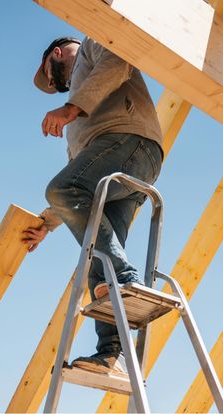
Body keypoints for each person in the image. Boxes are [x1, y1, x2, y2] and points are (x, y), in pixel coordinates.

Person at [23, 37, 163, 376]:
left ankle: (127, 277)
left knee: (62, 189)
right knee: (96, 260)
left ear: (54, 55)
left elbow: (117, 61)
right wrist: (48, 223)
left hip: (128, 141)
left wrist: (71, 109)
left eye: (51, 79)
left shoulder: (94, 40)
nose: (58, 87)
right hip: (115, 161)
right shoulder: (79, 107)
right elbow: (80, 185)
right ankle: (112, 355)